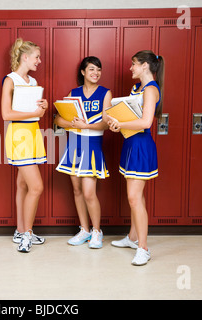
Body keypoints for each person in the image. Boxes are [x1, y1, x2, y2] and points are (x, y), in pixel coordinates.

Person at [105, 50, 164, 266]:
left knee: (134, 197)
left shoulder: (150, 90)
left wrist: (120, 124)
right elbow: (132, 116)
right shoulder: (137, 88)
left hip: (141, 144)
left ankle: (144, 248)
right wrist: (116, 122)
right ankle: (132, 238)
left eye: (134, 64)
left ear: (145, 66)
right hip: (130, 142)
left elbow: (146, 122)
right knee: (136, 196)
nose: (131, 68)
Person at [55, 56, 111, 249]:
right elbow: (58, 119)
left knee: (89, 192)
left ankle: (97, 231)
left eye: (99, 70)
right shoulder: (74, 92)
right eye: (92, 70)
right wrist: (72, 123)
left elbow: (106, 122)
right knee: (77, 190)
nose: (96, 73)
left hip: (92, 146)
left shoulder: (105, 93)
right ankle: (85, 230)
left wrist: (85, 125)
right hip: (74, 145)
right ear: (83, 72)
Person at [1, 38, 48, 252]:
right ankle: (27, 234)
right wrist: (35, 113)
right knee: (36, 186)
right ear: (25, 57)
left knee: (22, 185)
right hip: (19, 135)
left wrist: (43, 107)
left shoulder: (33, 82)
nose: (39, 61)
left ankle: (20, 230)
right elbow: (6, 114)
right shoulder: (10, 80)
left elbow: (36, 111)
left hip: (33, 133)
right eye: (37, 57)